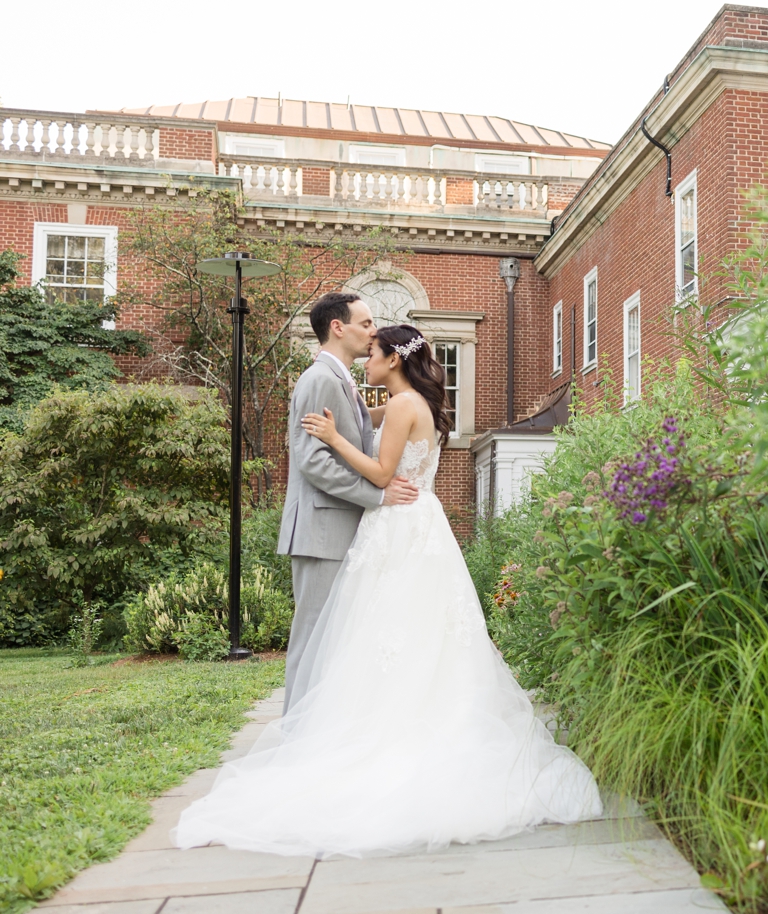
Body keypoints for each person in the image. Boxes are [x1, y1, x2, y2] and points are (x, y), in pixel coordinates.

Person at [174, 322, 602, 857]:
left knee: (387, 629)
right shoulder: (409, 401)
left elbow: (380, 473)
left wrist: (330, 439)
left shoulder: (402, 406)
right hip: (418, 525)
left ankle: (386, 738)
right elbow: (367, 423)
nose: (367, 363)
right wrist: (350, 411)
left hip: (399, 525)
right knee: (416, 634)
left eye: (374, 354)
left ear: (393, 360)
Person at [277, 292, 419, 713]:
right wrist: (377, 495)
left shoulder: (342, 379)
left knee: (333, 640)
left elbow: (358, 424)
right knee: (312, 639)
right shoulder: (320, 378)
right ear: (337, 327)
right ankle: (295, 734)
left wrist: (410, 399)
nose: (373, 331)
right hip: (322, 531)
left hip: (338, 529)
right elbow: (313, 463)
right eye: (365, 323)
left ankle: (318, 728)